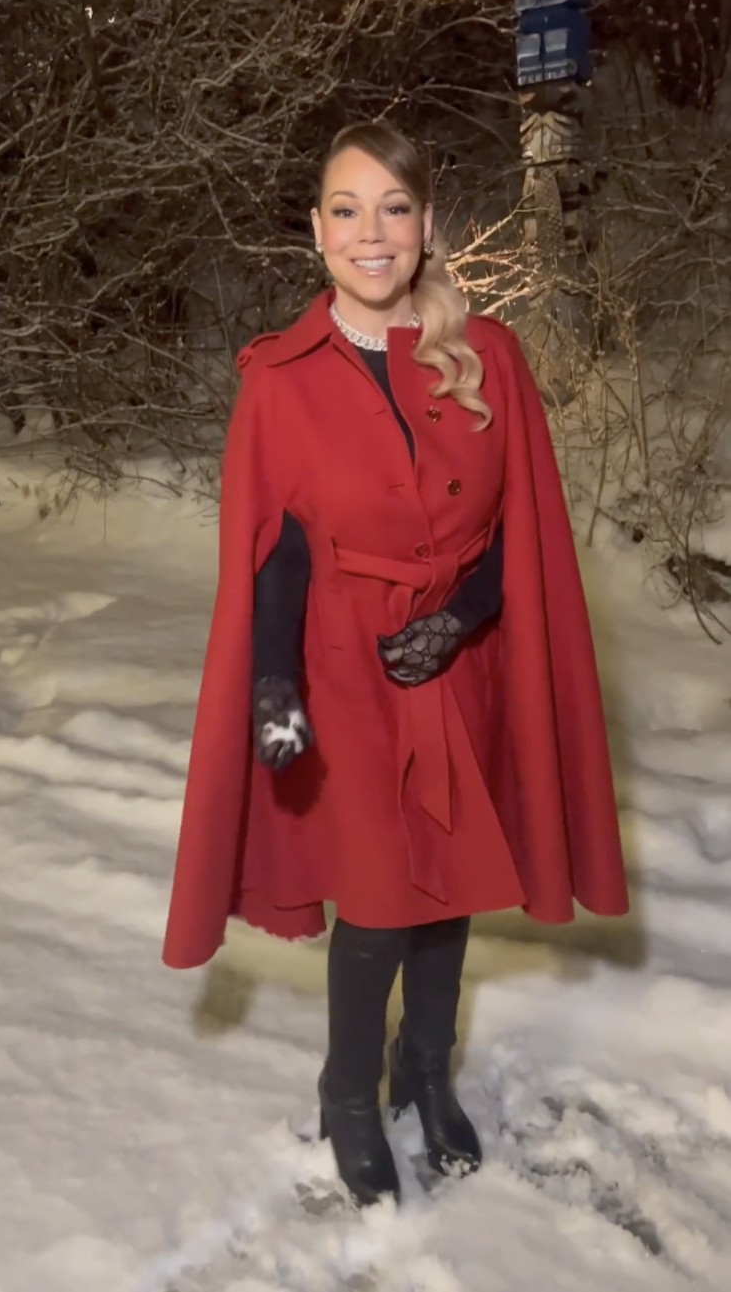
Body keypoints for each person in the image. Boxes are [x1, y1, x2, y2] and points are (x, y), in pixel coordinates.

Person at [162, 120, 629, 1208]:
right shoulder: (280, 378)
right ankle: (350, 1090)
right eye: (346, 208)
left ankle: (426, 1066)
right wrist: (275, 683)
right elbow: (275, 551)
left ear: (425, 224)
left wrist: (461, 617)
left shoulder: (488, 354)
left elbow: (521, 527)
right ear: (315, 227)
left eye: (394, 207)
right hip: (344, 666)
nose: (371, 232)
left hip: (455, 661)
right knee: (377, 895)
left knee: (449, 882)